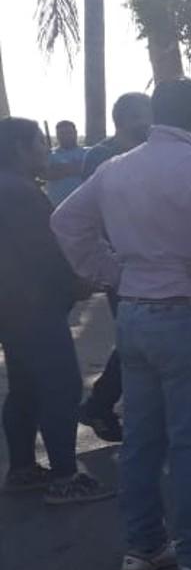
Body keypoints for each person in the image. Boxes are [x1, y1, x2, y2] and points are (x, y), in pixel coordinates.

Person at [52, 77, 191, 570]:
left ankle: (145, 545)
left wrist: (108, 271)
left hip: (135, 313)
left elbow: (65, 220)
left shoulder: (117, 167)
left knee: (142, 441)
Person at [0, 117, 113, 504]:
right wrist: (74, 283)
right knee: (60, 386)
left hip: (12, 308)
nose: (44, 152)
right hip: (35, 305)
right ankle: (65, 476)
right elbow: (43, 253)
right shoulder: (20, 192)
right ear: (19, 148)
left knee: (25, 388)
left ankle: (22, 468)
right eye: (39, 145)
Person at [75, 93, 153, 442]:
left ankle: (109, 404)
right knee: (134, 339)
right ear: (128, 117)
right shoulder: (104, 157)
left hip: (145, 259)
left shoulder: (143, 150)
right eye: (145, 116)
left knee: (140, 338)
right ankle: (100, 404)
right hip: (122, 262)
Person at [44, 120, 87, 205]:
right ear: (57, 135)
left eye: (69, 132)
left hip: (84, 205)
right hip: (57, 206)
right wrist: (76, 167)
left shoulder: (88, 152)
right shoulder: (50, 155)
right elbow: (46, 174)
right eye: (62, 133)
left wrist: (59, 168)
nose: (66, 136)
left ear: (75, 133)